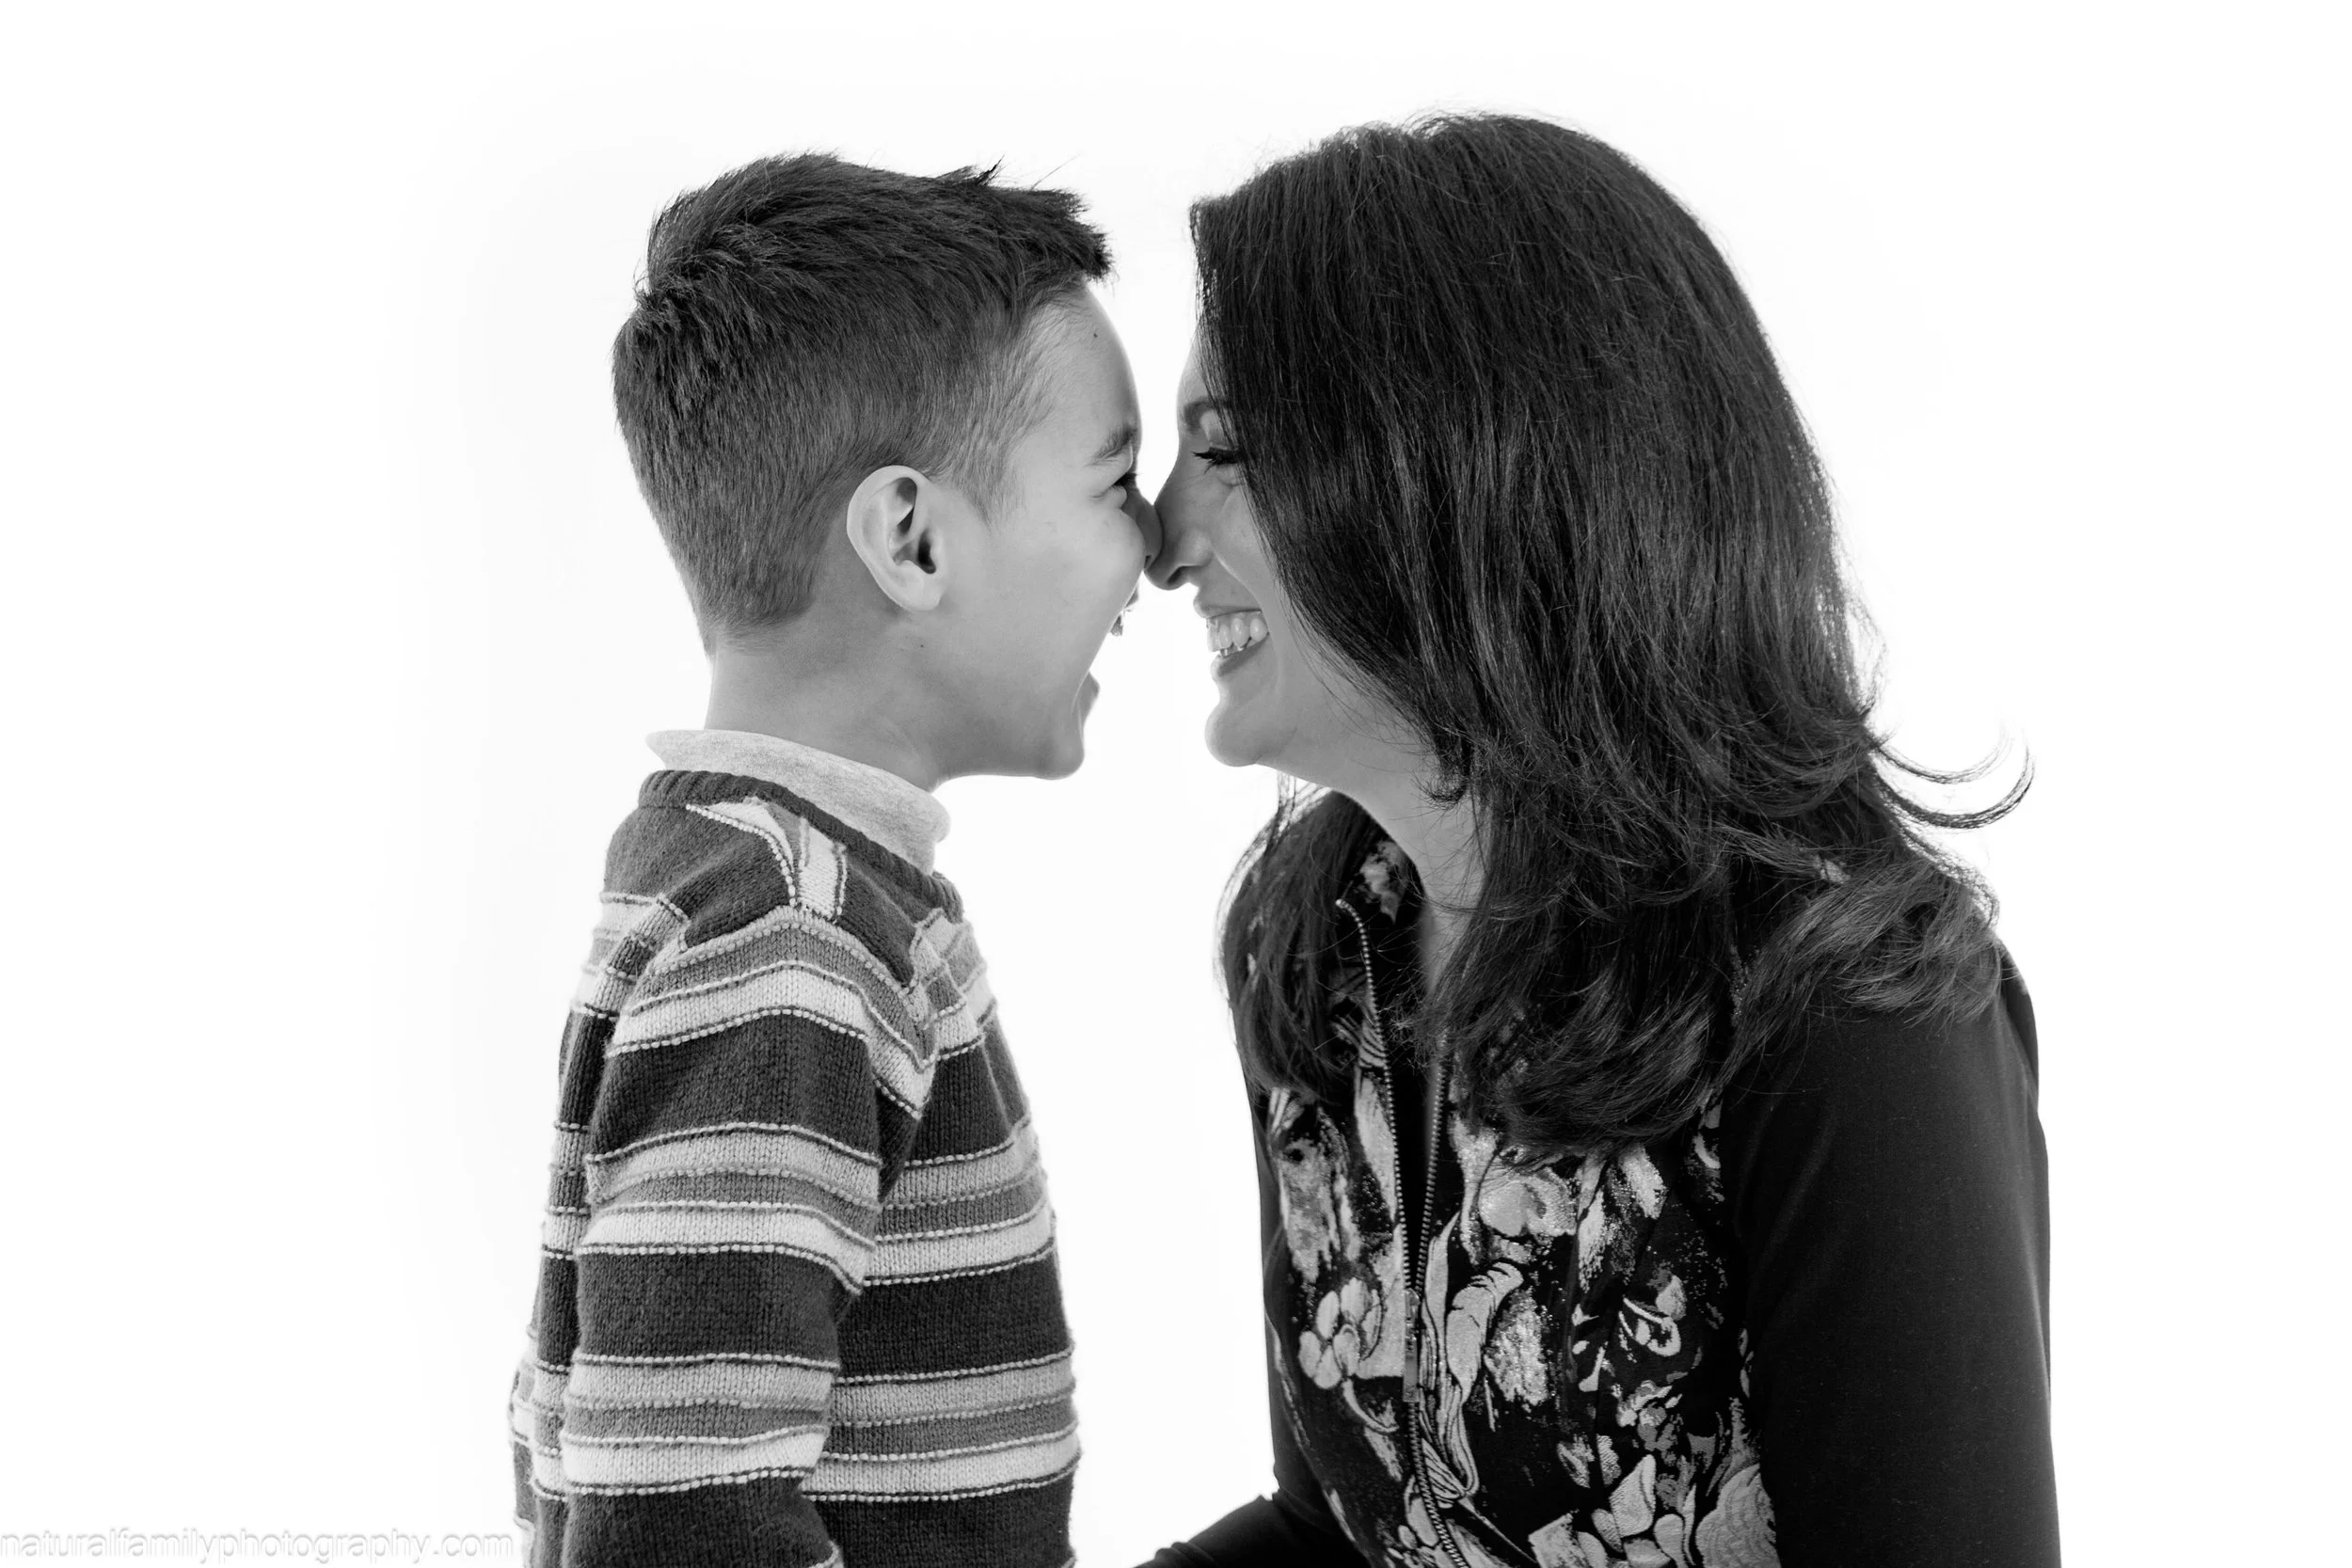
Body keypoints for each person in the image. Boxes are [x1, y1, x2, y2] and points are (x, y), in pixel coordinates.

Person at [1142, 115, 2057, 1567]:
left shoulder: (1849, 1011)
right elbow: (1343, 1535)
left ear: (1457, 470)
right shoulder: (1318, 944)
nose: (1162, 535)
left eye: (1227, 450)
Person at [506, 152, 1160, 1568]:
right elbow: (676, 1520)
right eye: (1117, 480)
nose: (1159, 547)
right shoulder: (791, 936)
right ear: (911, 538)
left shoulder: (756, 879)